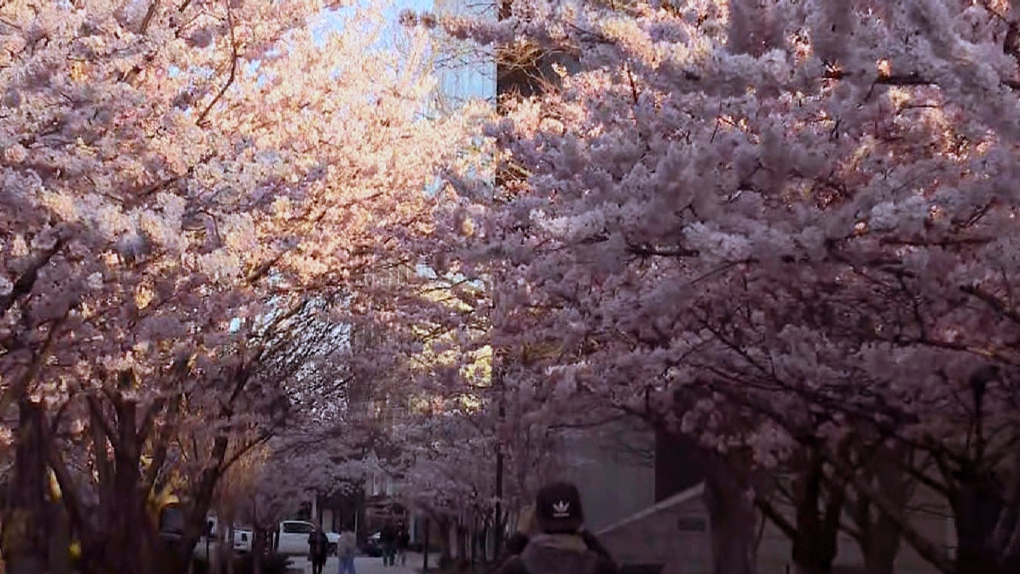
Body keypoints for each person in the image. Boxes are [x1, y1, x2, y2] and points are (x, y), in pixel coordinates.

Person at [493, 481, 618, 574]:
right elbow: (612, 567)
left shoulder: (519, 567)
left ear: (536, 519)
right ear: (579, 520)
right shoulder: (598, 567)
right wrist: (586, 535)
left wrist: (520, 535)